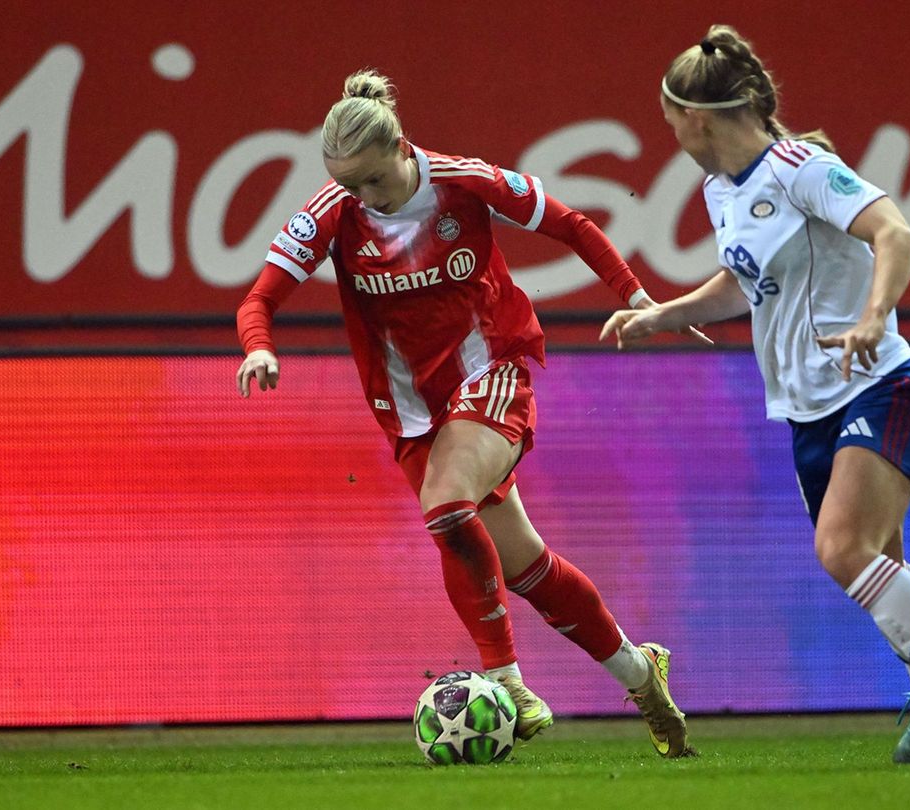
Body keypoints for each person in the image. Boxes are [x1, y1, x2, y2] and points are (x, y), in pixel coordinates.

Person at [236, 69, 694, 758]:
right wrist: (258, 350)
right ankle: (640, 673)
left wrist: (633, 295)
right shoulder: (332, 211)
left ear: (402, 148)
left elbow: (571, 224)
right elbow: (258, 299)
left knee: (448, 504)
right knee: (523, 567)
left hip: (492, 371)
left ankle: (505, 681)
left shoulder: (465, 181)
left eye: (371, 181)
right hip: (412, 412)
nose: (362, 197)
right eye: (347, 183)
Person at [601, 25, 910, 764]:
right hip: (806, 411)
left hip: (879, 384)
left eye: (669, 116)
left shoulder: (800, 166)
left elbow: (895, 232)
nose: (668, 130)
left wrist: (873, 316)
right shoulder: (722, 189)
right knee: (876, 560)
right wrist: (666, 315)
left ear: (697, 116)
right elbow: (745, 280)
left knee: (842, 547)